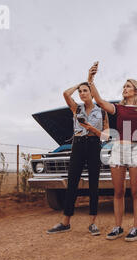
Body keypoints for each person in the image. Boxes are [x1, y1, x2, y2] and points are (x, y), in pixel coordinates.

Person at [87, 62, 137, 242]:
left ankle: (136, 228)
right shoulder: (118, 108)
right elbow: (99, 101)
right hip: (117, 149)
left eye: (128, 86)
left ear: (136, 91)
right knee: (118, 191)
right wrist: (90, 80)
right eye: (124, 86)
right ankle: (117, 227)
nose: (124, 88)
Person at [47, 81, 109, 235]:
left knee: (93, 184)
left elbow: (106, 134)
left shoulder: (102, 112)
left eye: (85, 91)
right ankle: (65, 222)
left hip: (94, 145)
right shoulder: (76, 108)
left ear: (92, 93)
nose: (82, 94)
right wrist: (78, 85)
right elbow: (66, 94)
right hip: (78, 145)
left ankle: (92, 223)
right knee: (72, 182)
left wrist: (93, 129)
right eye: (80, 91)